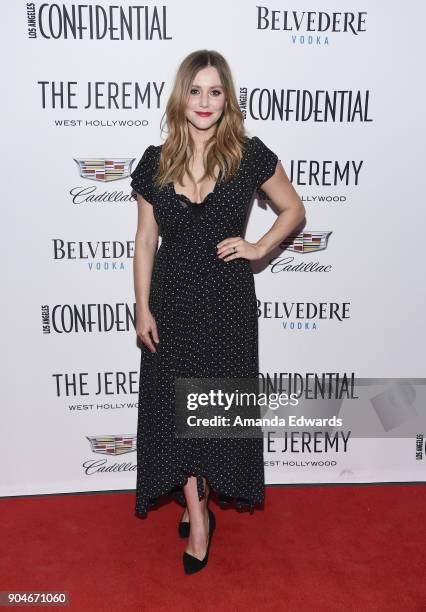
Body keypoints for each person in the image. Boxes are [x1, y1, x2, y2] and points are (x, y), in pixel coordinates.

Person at [130, 49, 305, 574]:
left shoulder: (248, 155)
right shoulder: (155, 162)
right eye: (195, 90)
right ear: (181, 96)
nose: (204, 101)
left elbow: (293, 209)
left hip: (228, 304)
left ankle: (201, 493)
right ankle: (198, 514)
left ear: (227, 98)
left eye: (215, 91)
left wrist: (259, 246)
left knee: (213, 408)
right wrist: (142, 307)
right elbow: (144, 241)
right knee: (174, 412)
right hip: (173, 301)